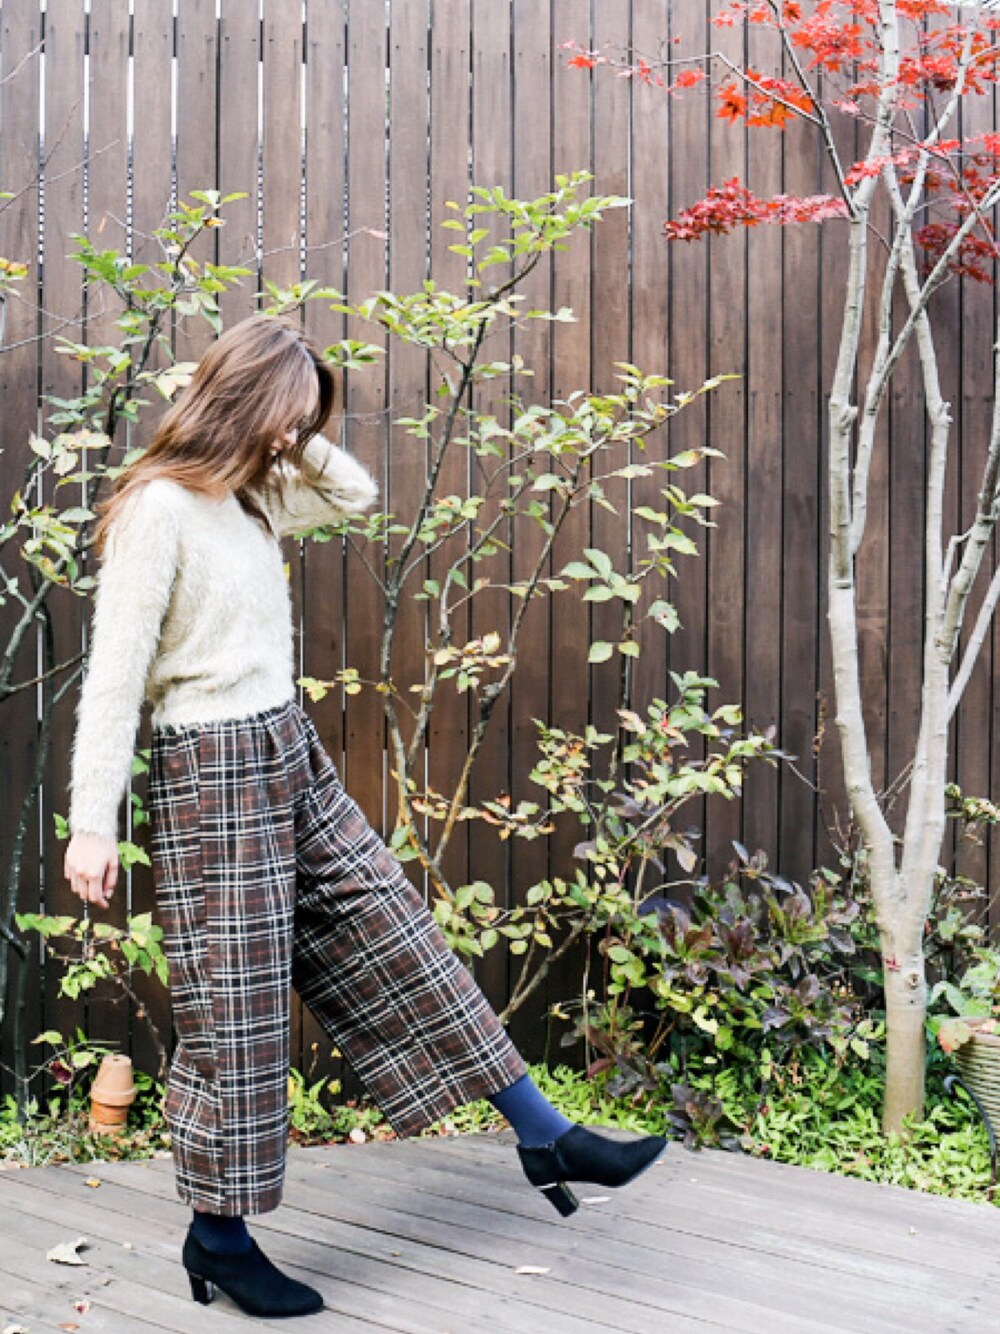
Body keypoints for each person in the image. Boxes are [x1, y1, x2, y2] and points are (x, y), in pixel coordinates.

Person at [63, 313, 666, 1320]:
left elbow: (354, 492)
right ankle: (219, 1238)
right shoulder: (158, 509)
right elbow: (115, 675)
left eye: (303, 422)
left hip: (286, 749)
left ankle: (543, 1131)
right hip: (210, 772)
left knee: (395, 927)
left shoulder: (250, 495)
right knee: (237, 1011)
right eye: (286, 415)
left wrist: (286, 435)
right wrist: (93, 820)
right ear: (242, 401)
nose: (294, 436)